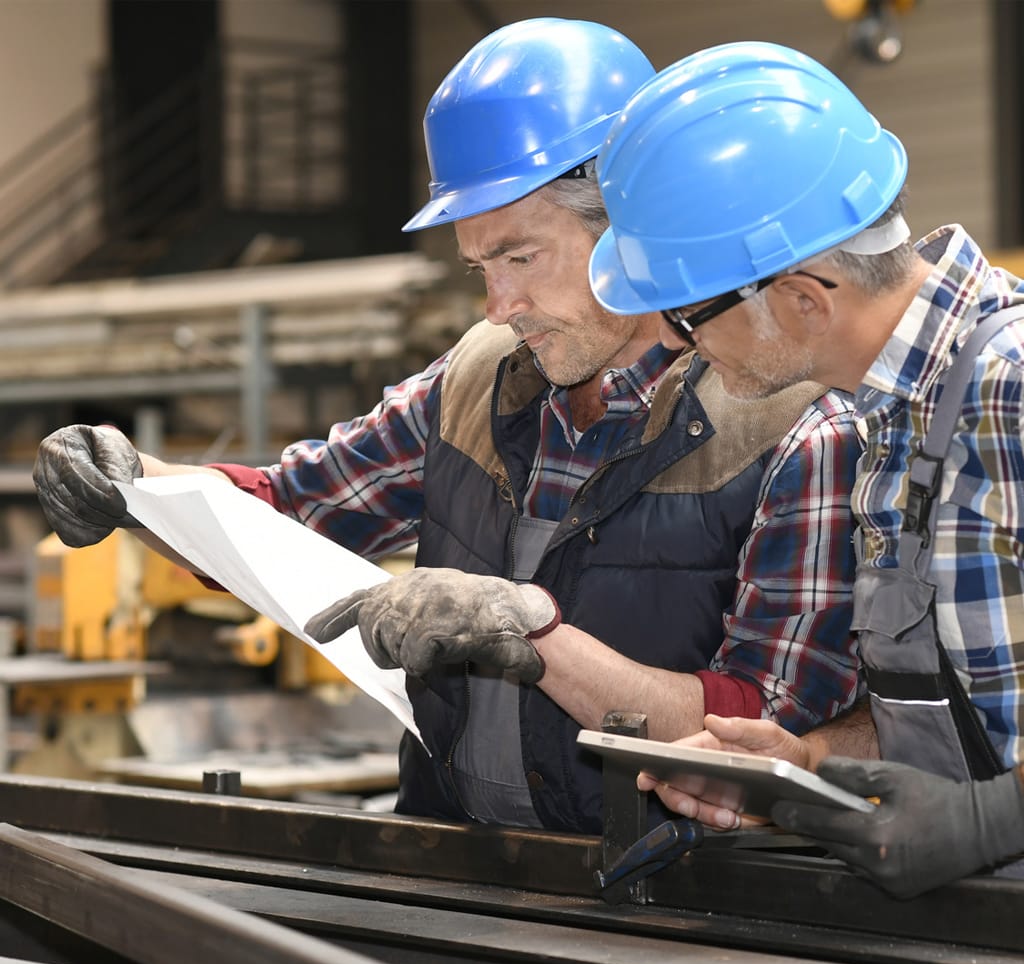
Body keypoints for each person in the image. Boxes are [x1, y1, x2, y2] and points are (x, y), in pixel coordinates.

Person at [31, 21, 861, 835]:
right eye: (479, 270)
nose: (500, 308)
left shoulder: (790, 428)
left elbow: (762, 740)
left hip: (669, 908)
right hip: (458, 875)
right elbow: (286, 511)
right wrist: (136, 484)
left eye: (520, 259)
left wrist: (537, 640)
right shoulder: (474, 382)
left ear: (628, 223)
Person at [587, 39, 1024, 894]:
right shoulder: (892, 420)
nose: (682, 350)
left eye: (686, 317)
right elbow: (973, 700)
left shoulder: (1009, 388)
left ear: (800, 299)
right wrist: (812, 760)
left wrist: (993, 821)